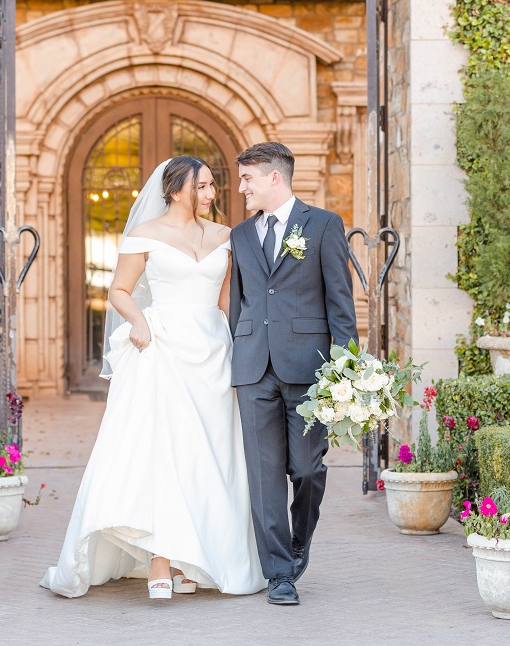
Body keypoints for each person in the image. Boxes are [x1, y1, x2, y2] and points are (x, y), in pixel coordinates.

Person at [40, 156, 266, 600]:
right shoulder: (144, 235)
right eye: (201, 186)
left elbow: (227, 303)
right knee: (165, 451)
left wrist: (244, 351)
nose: (211, 193)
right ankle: (160, 556)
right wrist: (139, 322)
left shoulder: (226, 236)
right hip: (162, 349)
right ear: (176, 190)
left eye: (212, 185)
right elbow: (118, 291)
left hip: (213, 354)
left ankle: (191, 559)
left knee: (209, 455)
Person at [228, 142, 358, 605]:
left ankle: (300, 538)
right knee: (264, 476)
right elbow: (240, 303)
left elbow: (341, 303)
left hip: (308, 368)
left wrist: (345, 371)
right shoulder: (241, 235)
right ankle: (279, 573)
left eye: (247, 178)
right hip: (253, 369)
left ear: (274, 178)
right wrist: (237, 356)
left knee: (305, 468)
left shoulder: (323, 225)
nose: (241, 187)